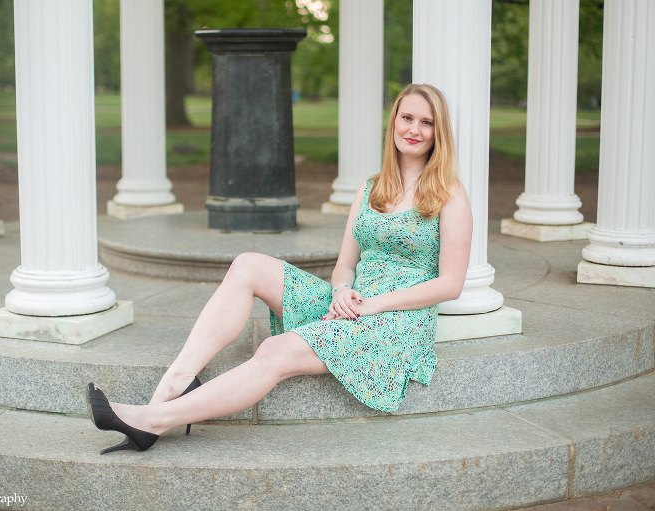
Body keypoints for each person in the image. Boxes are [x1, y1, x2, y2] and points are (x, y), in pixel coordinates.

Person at [86, 83, 473, 454]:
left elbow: (450, 284)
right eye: (408, 118)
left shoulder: (449, 193)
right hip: (350, 304)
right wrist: (341, 291)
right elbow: (345, 265)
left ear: (439, 133)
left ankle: (151, 420)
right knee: (248, 264)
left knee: (274, 351)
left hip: (396, 322)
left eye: (427, 123)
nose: (414, 130)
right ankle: (175, 383)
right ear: (394, 122)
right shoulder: (370, 188)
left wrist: (373, 305)